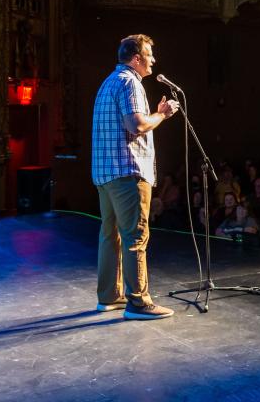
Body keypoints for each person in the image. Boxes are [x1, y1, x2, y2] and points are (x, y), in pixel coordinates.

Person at [91, 34, 179, 320]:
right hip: (128, 173)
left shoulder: (108, 83)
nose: (153, 59)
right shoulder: (130, 82)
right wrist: (162, 115)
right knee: (135, 236)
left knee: (110, 235)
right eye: (150, 54)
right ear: (137, 58)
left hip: (106, 174)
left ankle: (109, 297)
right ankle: (139, 302)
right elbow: (137, 125)